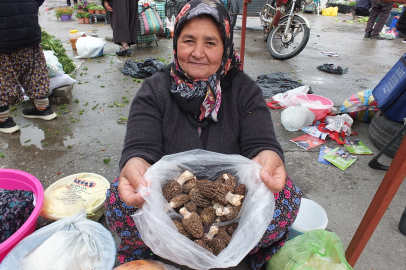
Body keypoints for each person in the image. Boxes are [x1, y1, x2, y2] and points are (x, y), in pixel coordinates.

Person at [104, 0, 303, 269]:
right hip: (171, 200)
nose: (198, 52)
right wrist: (135, 163)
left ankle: (233, 249)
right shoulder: (155, 89)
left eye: (210, 42)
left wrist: (268, 157)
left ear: (225, 47)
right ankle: (158, 255)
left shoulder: (244, 90)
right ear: (175, 43)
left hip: (231, 204)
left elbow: (261, 141)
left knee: (287, 196)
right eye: (188, 40)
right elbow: (141, 144)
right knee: (118, 196)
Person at [0, 0, 57, 134]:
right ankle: (43, 109)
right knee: (35, 71)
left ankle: (4, 121)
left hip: (3, 36)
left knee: (3, 77)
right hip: (29, 31)